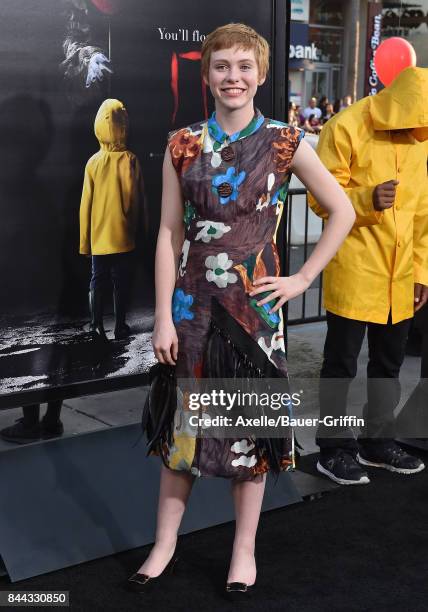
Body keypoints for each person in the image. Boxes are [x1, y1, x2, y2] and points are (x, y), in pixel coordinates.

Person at [128, 23, 355, 597]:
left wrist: (304, 276)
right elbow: (167, 235)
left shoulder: (284, 140)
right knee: (183, 433)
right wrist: (160, 316)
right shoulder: (181, 144)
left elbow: (342, 210)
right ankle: (164, 546)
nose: (233, 77)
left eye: (244, 67)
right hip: (192, 309)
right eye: (222, 67)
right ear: (206, 75)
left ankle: (244, 551)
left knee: (248, 435)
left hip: (254, 315)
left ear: (260, 74)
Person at [308, 66, 428, 485]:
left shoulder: (419, 140)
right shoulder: (346, 127)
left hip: (402, 275)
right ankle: (333, 449)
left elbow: (424, 215)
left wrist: (422, 272)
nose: (420, 130)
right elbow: (320, 201)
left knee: (388, 364)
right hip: (355, 267)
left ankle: (377, 441)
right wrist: (366, 198)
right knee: (340, 365)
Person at [79, 99, 146, 341]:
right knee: (121, 281)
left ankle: (96, 325)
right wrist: (142, 230)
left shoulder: (92, 163)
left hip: (99, 238)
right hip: (124, 237)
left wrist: (85, 242)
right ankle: (120, 326)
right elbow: (139, 200)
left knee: (97, 280)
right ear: (124, 126)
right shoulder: (131, 160)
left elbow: (85, 206)